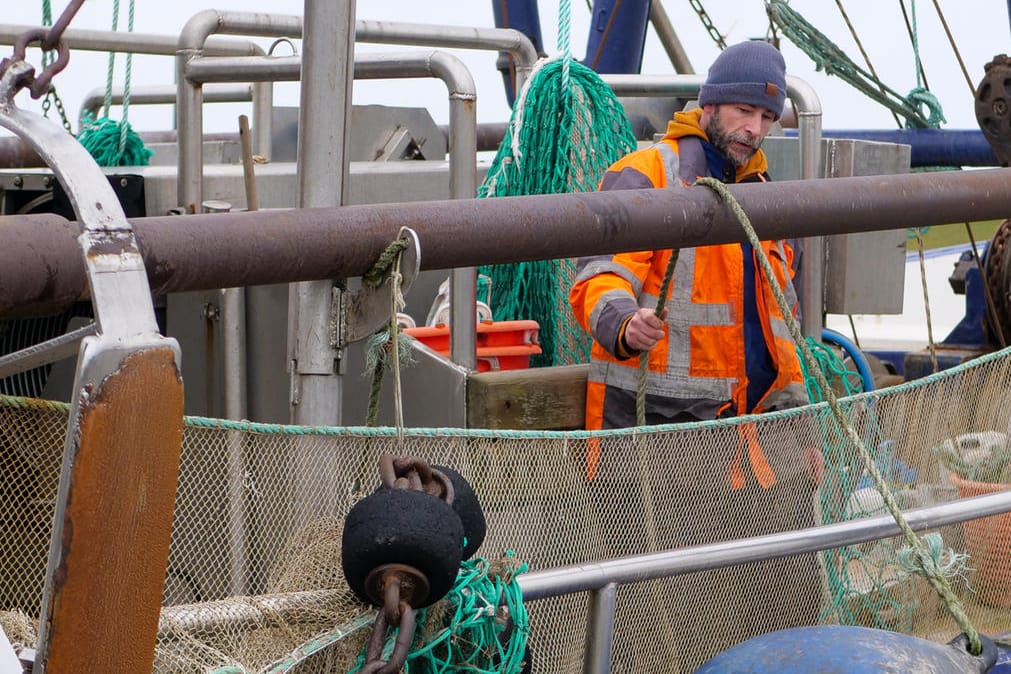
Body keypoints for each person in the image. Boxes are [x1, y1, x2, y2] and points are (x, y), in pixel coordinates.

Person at [568, 40, 824, 670]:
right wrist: (622, 323)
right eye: (743, 111)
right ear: (708, 104)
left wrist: (807, 428)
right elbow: (596, 270)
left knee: (783, 610)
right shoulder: (647, 173)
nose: (754, 129)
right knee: (659, 624)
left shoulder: (764, 193)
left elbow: (780, 335)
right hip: (662, 451)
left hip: (764, 447)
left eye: (767, 119)